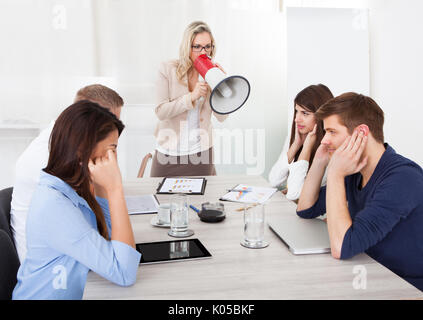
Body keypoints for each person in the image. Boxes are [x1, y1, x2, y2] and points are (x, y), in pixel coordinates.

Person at [12, 101, 140, 299]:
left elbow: (108, 239)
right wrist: (114, 188)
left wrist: (103, 188)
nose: (114, 158)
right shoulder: (54, 205)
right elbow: (124, 272)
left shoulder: (70, 186)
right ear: (82, 149)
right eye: (112, 149)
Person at [297, 92, 423, 291]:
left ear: (361, 133)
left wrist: (336, 174)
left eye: (332, 132)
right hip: (368, 273)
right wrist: (321, 161)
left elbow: (342, 247)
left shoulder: (403, 178)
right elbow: (306, 209)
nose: (324, 140)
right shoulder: (355, 171)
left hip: (405, 287)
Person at [10, 84, 124, 263]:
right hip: (52, 265)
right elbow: (100, 223)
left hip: (66, 245)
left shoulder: (67, 140)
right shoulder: (52, 158)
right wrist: (113, 188)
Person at [151, 21, 228, 177]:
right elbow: (161, 112)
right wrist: (191, 97)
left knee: (201, 201)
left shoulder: (212, 73)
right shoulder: (167, 69)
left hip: (201, 154)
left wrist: (220, 86)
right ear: (187, 47)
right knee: (160, 199)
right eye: (197, 46)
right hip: (168, 154)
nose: (203, 52)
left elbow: (222, 117)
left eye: (208, 46)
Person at [268, 84, 333, 201]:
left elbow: (295, 194)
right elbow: (274, 180)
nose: (297, 119)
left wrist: (306, 148)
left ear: (321, 116)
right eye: (296, 111)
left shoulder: (330, 145)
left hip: (317, 215)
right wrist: (296, 145)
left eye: (305, 113)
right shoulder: (298, 136)